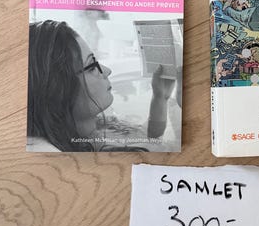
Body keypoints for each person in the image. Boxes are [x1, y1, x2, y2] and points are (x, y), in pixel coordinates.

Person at [27, 20, 179, 152]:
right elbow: (153, 145)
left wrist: (160, 98)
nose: (107, 70)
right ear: (58, 90)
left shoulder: (98, 126)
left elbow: (148, 136)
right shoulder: (107, 153)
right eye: (92, 66)